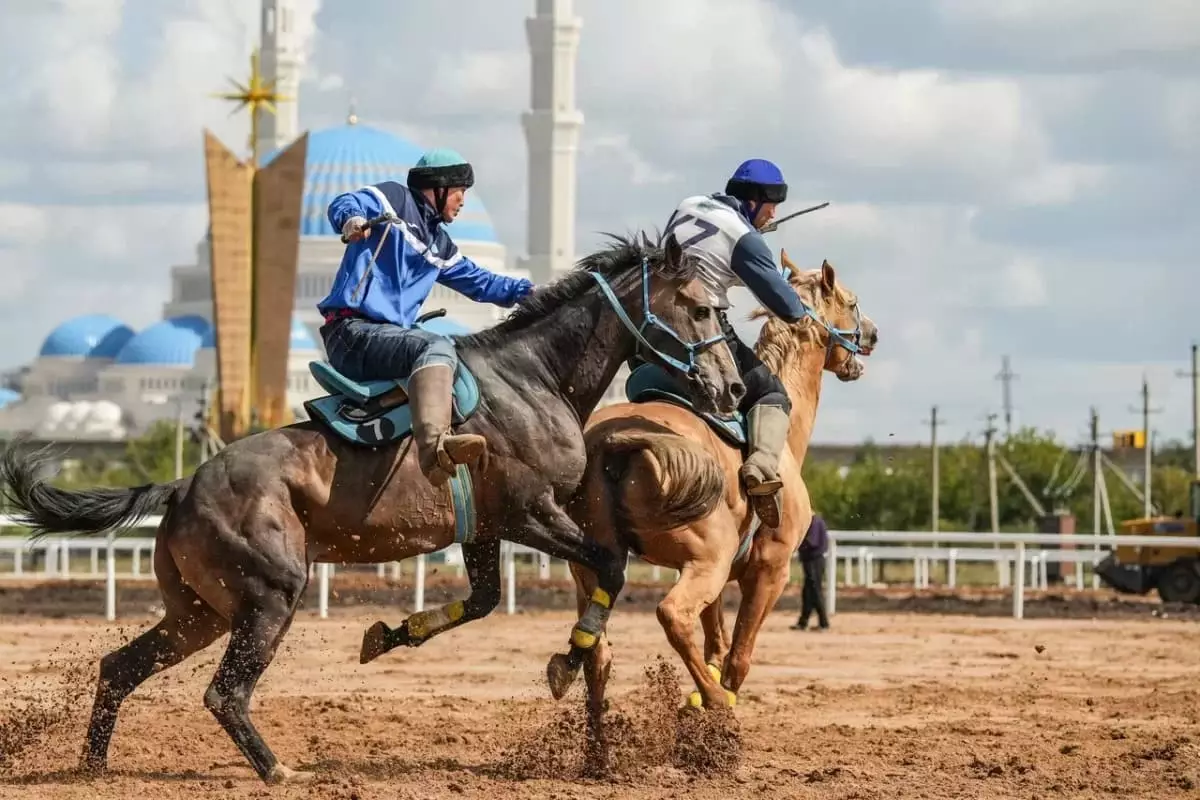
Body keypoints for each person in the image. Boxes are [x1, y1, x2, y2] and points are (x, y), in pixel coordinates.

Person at [318, 149, 534, 486]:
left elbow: (483, 283)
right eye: (460, 191)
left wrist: (533, 293)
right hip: (352, 334)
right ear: (439, 187)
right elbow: (346, 201)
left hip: (384, 338)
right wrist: (350, 219)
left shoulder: (439, 244)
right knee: (435, 348)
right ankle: (435, 450)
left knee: (459, 361)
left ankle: (391, 405)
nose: (463, 201)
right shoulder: (394, 200)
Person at [662, 159, 809, 527]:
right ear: (755, 200)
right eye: (772, 203)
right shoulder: (745, 238)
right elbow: (789, 309)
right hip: (701, 332)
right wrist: (758, 251)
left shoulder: (688, 205)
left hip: (652, 332)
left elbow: (701, 259)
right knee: (772, 394)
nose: (774, 212)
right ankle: (760, 469)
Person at [792, 514, 830, 631]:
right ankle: (804, 621)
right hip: (813, 559)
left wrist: (795, 543)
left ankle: (823, 622)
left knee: (814, 591)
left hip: (813, 560)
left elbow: (811, 542)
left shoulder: (813, 522)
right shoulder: (816, 521)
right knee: (808, 591)